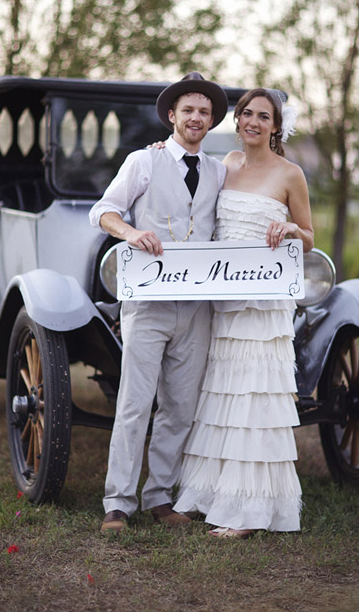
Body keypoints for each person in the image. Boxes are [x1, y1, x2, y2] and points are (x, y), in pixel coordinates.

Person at [89, 72, 228, 532]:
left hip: (196, 308)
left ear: (210, 122)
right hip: (147, 304)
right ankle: (118, 502)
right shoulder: (142, 163)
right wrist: (130, 232)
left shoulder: (218, 171)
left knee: (180, 408)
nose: (195, 118)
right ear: (172, 116)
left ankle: (159, 497)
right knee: (134, 402)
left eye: (204, 112)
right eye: (188, 110)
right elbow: (103, 210)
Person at [173, 87, 314, 538]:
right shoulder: (225, 165)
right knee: (222, 395)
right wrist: (163, 149)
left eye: (263, 116)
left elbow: (309, 236)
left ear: (276, 127)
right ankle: (211, 493)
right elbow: (186, 172)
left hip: (265, 301)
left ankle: (249, 511)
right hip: (224, 298)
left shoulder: (291, 174)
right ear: (237, 121)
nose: (253, 121)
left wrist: (292, 227)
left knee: (254, 398)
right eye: (247, 113)